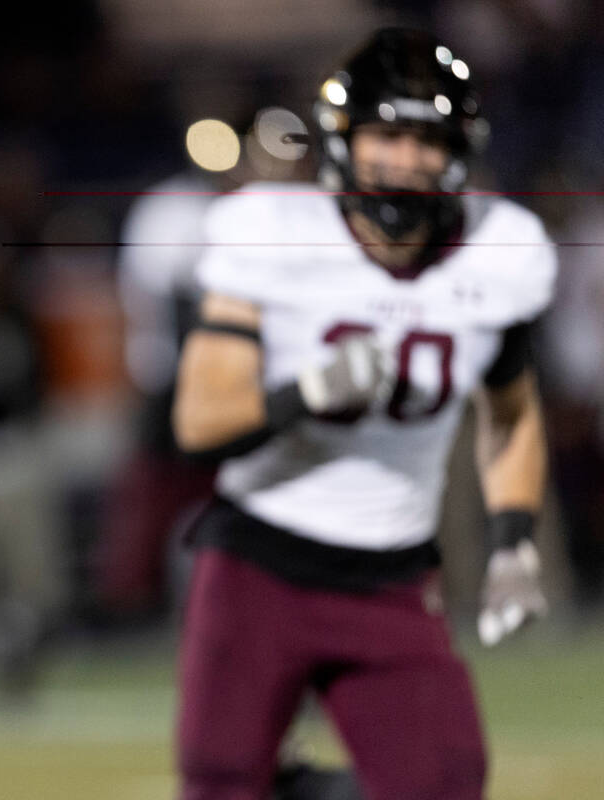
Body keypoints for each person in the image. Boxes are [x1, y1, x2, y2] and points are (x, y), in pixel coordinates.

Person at [172, 29, 553, 800]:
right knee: (220, 782)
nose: (407, 159)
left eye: (427, 139)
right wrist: (304, 393)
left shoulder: (501, 250)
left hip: (392, 575)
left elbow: (511, 414)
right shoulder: (271, 232)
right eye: (388, 134)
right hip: (260, 567)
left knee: (445, 783)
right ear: (344, 139)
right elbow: (200, 420)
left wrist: (514, 542)